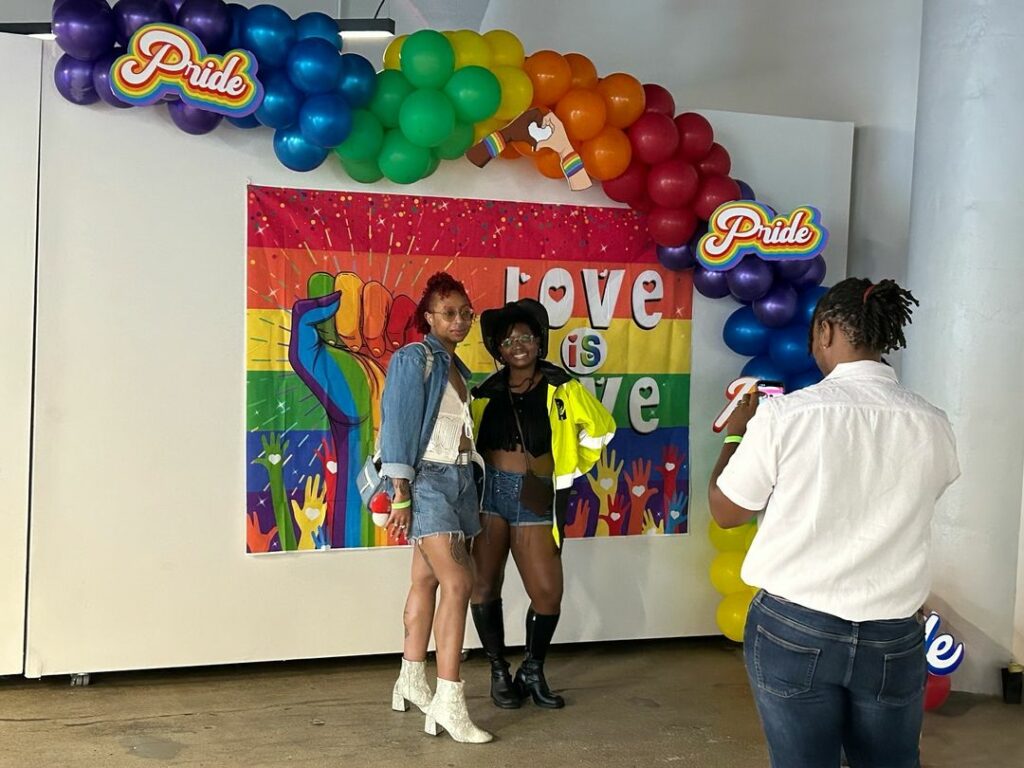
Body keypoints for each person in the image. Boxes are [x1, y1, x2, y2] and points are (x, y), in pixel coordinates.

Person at [708, 278, 960, 768]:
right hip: (893, 633)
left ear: (825, 331)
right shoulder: (933, 423)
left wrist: (736, 436)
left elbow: (727, 510)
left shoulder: (784, 417)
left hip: (794, 627)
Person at [469, 299, 616, 710]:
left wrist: (567, 469)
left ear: (539, 343)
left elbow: (601, 430)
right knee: (483, 585)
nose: (518, 344)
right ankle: (499, 671)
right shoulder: (483, 393)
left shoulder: (562, 387)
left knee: (548, 592)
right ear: (497, 349)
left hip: (535, 496)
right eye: (508, 339)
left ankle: (533, 669)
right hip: (489, 498)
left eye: (526, 337)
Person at [379, 272, 491, 744]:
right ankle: (448, 699)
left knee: (425, 579)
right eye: (450, 312)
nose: (460, 320)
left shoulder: (457, 368)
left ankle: (409, 678)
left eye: (467, 313)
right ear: (429, 317)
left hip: (461, 480)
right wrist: (400, 492)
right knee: (460, 580)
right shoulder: (415, 358)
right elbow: (398, 424)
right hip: (427, 480)